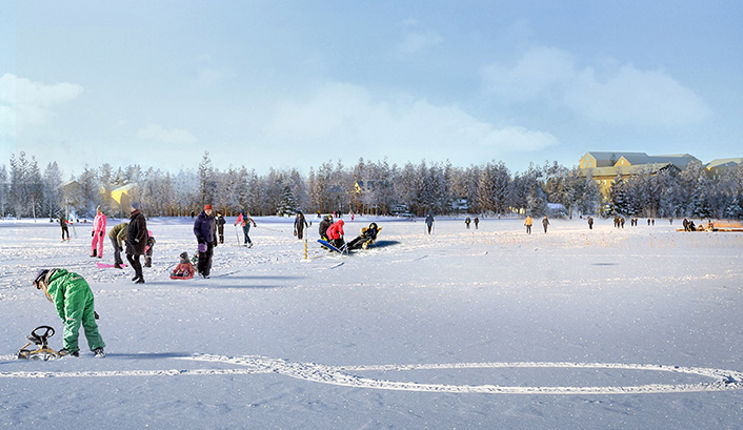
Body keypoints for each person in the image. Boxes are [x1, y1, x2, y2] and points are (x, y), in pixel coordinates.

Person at [33, 268, 105, 358]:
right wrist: (89, 310)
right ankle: (98, 348)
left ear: (42, 280)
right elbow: (80, 295)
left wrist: (65, 319)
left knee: (72, 322)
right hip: (84, 286)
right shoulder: (66, 275)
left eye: (39, 286)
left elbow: (59, 304)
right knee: (89, 322)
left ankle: (70, 349)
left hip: (73, 292)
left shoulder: (53, 284)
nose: (41, 288)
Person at [126, 202, 148, 284]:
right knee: (129, 256)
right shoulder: (134, 216)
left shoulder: (140, 217)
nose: (130, 208)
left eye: (132, 207)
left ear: (135, 208)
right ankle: (138, 274)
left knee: (136, 258)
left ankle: (141, 277)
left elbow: (141, 229)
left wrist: (137, 239)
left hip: (137, 242)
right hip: (132, 242)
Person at [194, 204, 217, 278]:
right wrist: (199, 237)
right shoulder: (200, 218)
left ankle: (206, 273)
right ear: (204, 210)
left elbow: (213, 229)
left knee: (209, 256)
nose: (208, 212)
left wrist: (215, 238)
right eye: (207, 210)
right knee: (202, 257)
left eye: (210, 210)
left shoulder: (212, 218)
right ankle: (200, 271)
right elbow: (196, 229)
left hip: (210, 240)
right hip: (202, 240)